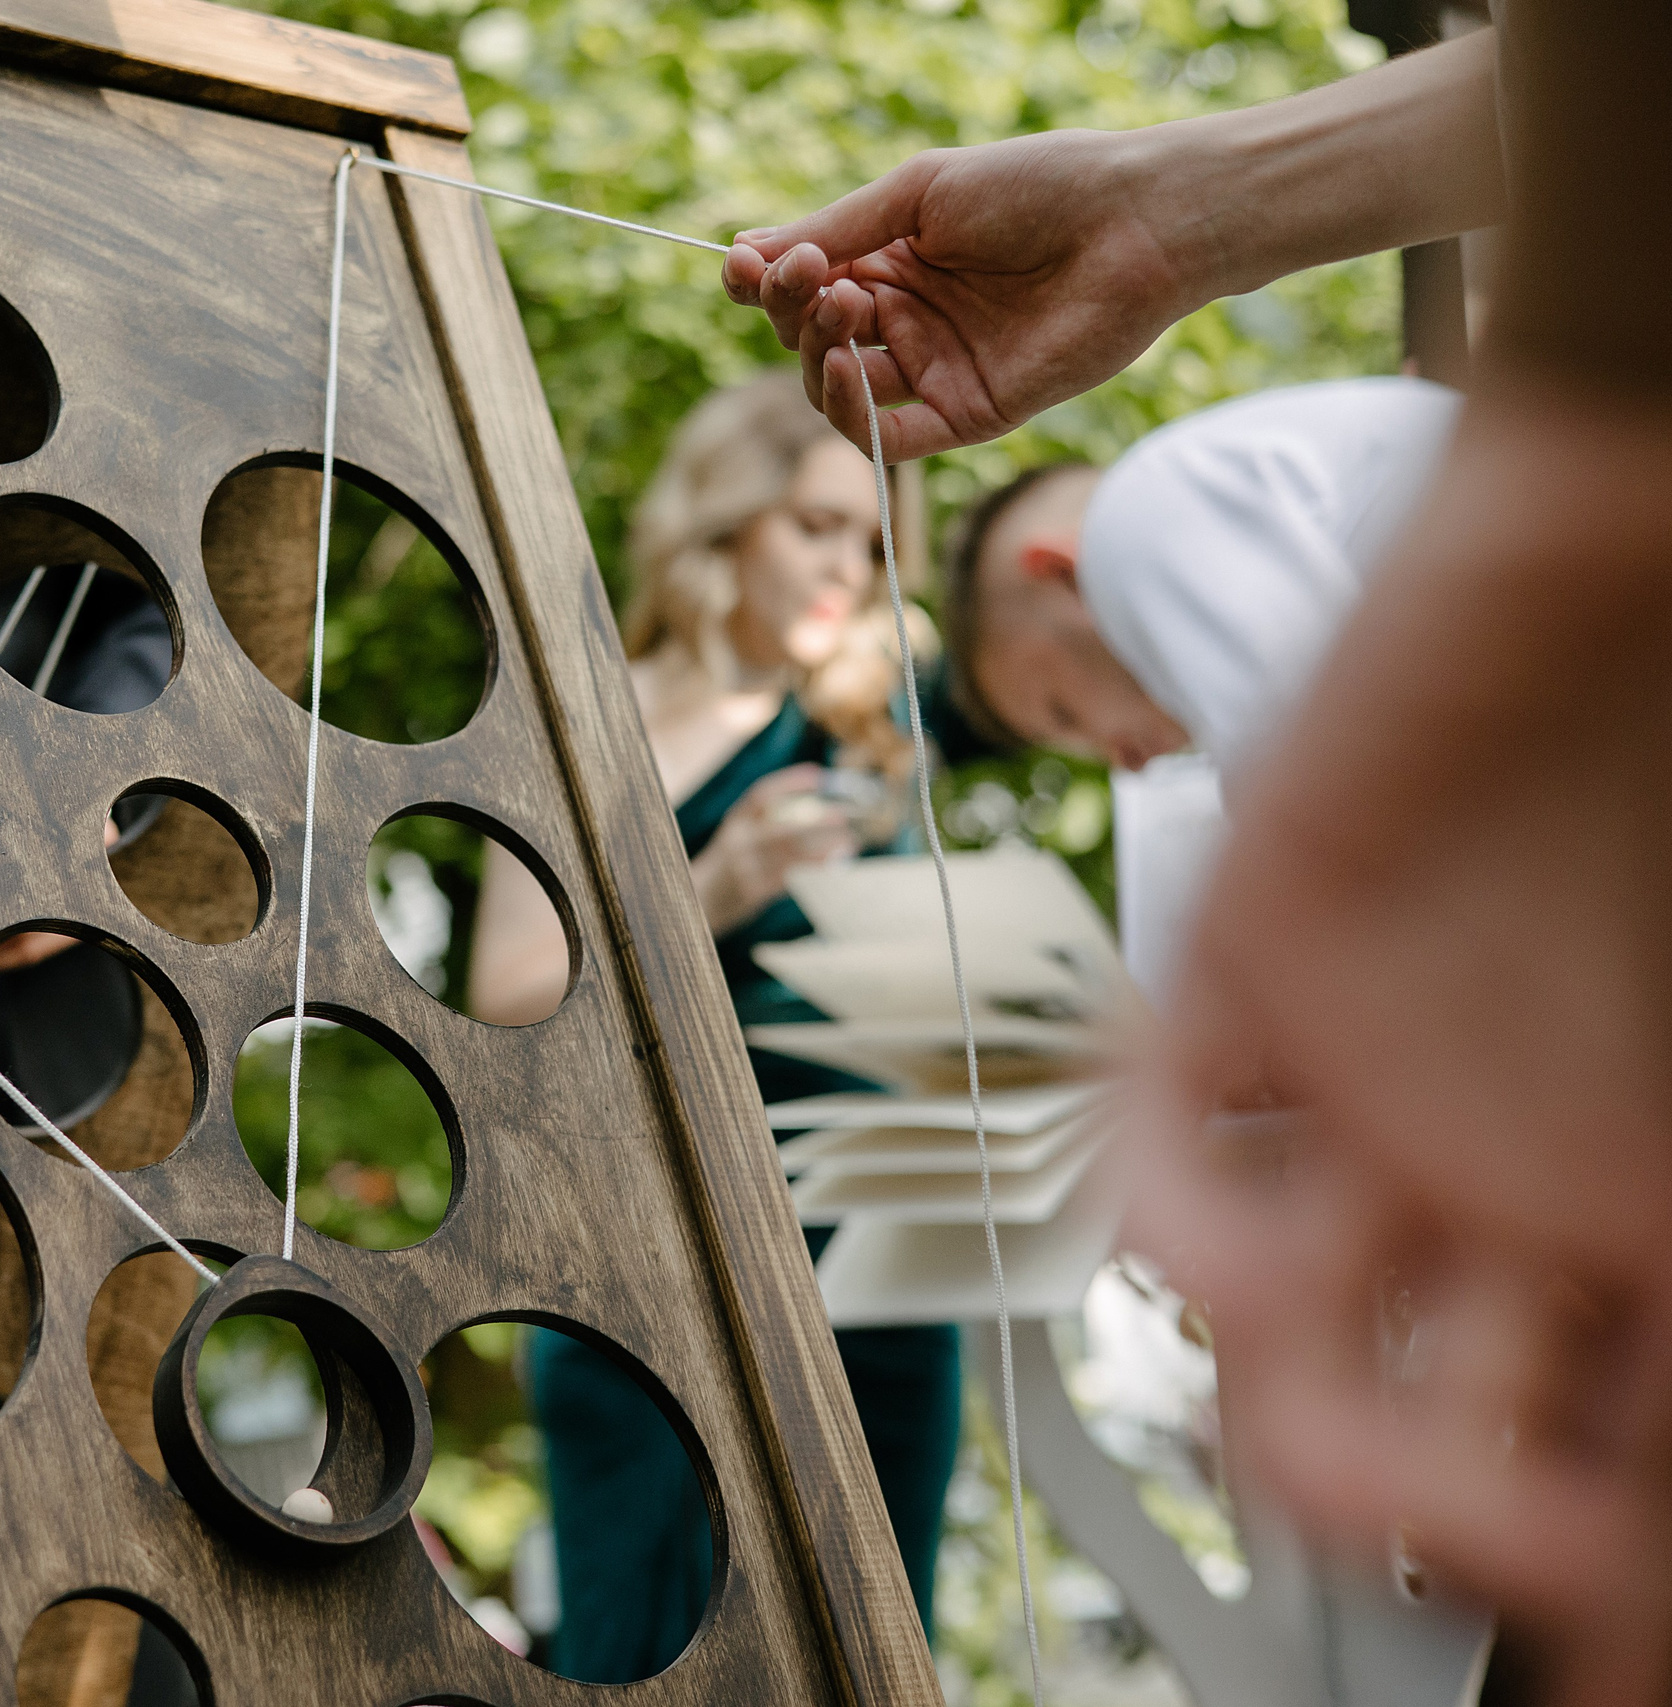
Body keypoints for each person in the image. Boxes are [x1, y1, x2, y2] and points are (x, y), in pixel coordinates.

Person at [720, 8, 1670, 1700]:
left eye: (1071, 705)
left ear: (1070, 566)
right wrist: (1169, 211)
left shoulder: (1158, 505)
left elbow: (1386, 843)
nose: (1128, 747)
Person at [470, 367, 961, 1679]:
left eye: (870, 541)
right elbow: (505, 999)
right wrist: (714, 887)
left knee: (867, 1654)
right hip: (658, 1266)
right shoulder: (587, 719)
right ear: (724, 519)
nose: (847, 568)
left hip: (882, 1272)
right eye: (815, 523)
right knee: (665, 1653)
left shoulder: (876, 743)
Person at [940, 375, 1460, 780]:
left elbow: (1327, 778)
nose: (1123, 759)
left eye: (1066, 714)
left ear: (1064, 575)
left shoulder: (1132, 518)